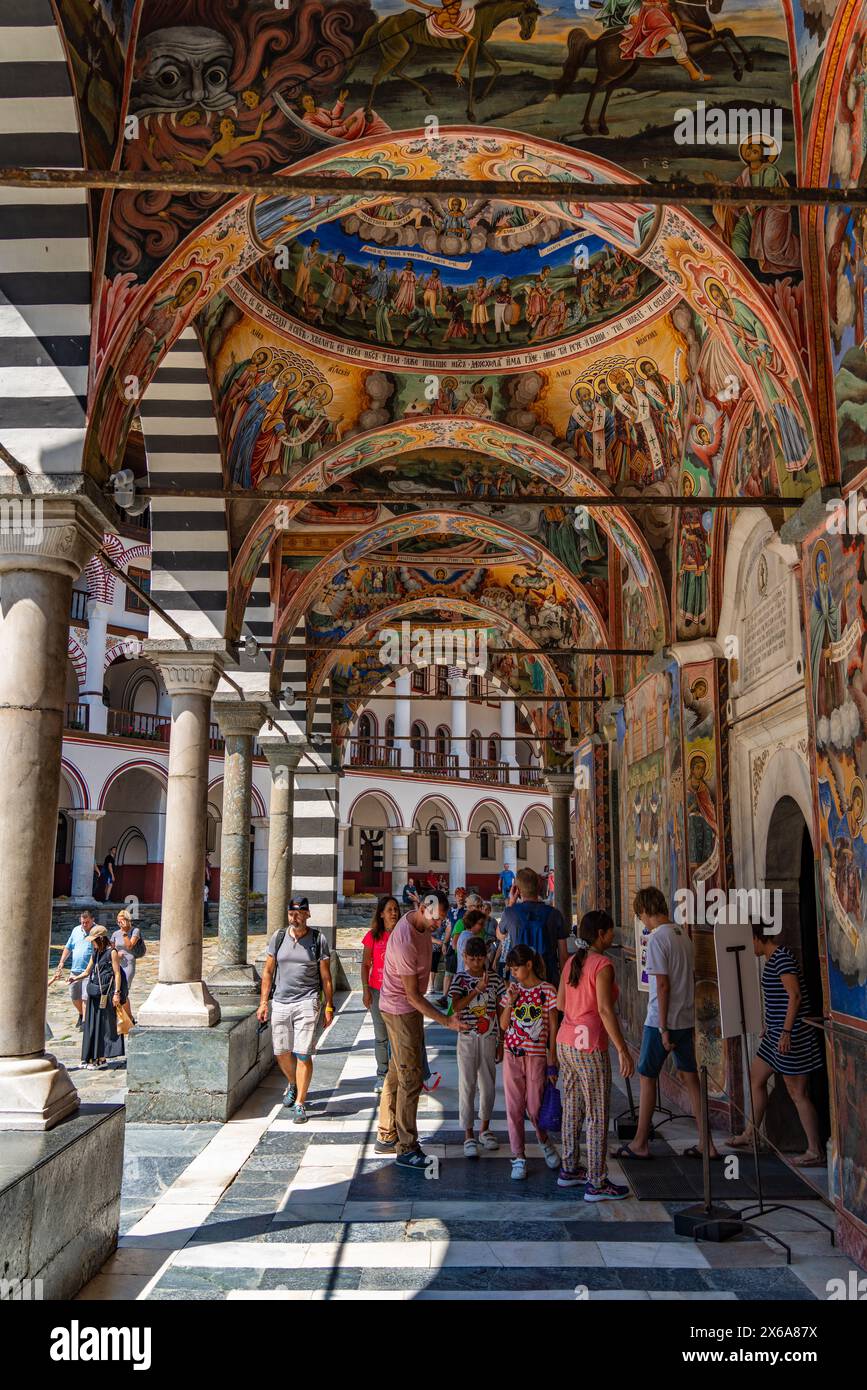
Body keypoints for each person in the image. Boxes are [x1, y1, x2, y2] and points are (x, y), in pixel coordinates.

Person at [613, 886, 719, 1161]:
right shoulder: (682, 935)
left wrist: (662, 1027)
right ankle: (707, 1143)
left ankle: (640, 1143)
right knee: (691, 1079)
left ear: (647, 911)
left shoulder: (657, 939)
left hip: (662, 1021)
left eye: (641, 917)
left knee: (647, 1077)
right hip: (684, 1018)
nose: (642, 923)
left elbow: (661, 984)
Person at [376, 890, 467, 1169]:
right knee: (411, 1076)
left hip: (405, 1008)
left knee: (397, 1069)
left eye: (441, 920)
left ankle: (387, 1132)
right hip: (400, 1009)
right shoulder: (405, 941)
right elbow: (413, 995)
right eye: (437, 919)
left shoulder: (421, 923)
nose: (439, 925)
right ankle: (406, 1147)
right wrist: (445, 1020)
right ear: (425, 909)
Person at [728, 923, 825, 1166]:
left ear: (757, 937)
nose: (749, 947)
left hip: (792, 1036)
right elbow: (779, 999)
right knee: (756, 1077)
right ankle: (751, 1133)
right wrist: (771, 1026)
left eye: (749, 941)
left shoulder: (781, 958)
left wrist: (786, 1031)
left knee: (797, 1092)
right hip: (775, 1035)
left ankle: (815, 1150)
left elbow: (794, 996)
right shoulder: (772, 959)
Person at [556, 911, 633, 1200]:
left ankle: (569, 1168)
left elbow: (561, 1003)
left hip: (566, 1041)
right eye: (611, 931)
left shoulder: (571, 962)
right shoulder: (603, 964)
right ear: (601, 934)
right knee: (598, 1112)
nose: (613, 936)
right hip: (590, 1046)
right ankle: (597, 1182)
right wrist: (622, 1049)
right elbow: (604, 1009)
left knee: (573, 1107)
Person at [257, 895, 334, 1125]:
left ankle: (300, 1102)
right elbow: (268, 972)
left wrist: (329, 1005)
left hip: (307, 1001)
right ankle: (293, 1082)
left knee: (303, 1053)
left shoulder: (318, 939)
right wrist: (263, 1002)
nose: (295, 918)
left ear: (308, 914)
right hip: (280, 1001)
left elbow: (326, 977)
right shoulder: (278, 938)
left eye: (299, 913)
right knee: (281, 1052)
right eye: (292, 914)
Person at [499, 943, 561, 1180]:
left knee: (535, 1106)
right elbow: (504, 1026)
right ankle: (519, 1156)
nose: (513, 973)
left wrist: (552, 1057)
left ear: (529, 964)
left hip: (536, 1056)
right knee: (514, 1108)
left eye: (516, 968)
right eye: (511, 969)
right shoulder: (512, 991)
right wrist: (512, 1001)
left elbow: (554, 1025)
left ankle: (544, 1140)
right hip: (512, 1053)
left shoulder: (548, 990)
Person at [449, 937, 505, 1156]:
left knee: (488, 1085)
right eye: (471, 959)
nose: (476, 963)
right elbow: (456, 1006)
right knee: (467, 1085)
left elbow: (501, 1009)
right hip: (467, 1038)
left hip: (489, 1037)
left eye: (480, 959)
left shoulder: (495, 980)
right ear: (464, 957)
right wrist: (476, 990)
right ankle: (468, 1133)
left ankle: (485, 1129)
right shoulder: (460, 979)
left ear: (486, 958)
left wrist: (501, 1040)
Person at [497, 868, 569, 989]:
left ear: (517, 890)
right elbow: (563, 955)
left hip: (519, 980)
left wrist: (511, 903)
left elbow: (500, 935)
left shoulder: (510, 913)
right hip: (549, 978)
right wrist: (564, 985)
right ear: (540, 886)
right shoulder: (554, 914)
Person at [72, 924, 125, 1069]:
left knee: (104, 1025)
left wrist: (116, 993)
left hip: (106, 993)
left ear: (101, 939)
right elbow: (88, 971)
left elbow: (117, 973)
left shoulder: (111, 952)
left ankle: (101, 1058)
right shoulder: (95, 952)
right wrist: (74, 979)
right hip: (94, 992)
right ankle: (90, 1057)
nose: (92, 942)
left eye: (94, 940)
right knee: (92, 1024)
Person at [362, 895, 400, 1095]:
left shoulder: (404, 934)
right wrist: (365, 990)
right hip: (377, 991)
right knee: (381, 1036)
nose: (394, 913)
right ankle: (382, 1074)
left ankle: (397, 1074)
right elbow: (366, 964)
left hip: (398, 993)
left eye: (396, 909)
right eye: (390, 910)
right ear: (381, 914)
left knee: (398, 1035)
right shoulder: (372, 936)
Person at [52, 909, 97, 1030]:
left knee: (85, 997)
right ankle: (81, 1013)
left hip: (89, 970)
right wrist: (61, 962)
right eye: (82, 922)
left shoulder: (97, 931)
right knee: (74, 995)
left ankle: (84, 1022)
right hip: (75, 969)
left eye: (87, 922)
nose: (84, 924)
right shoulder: (76, 930)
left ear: (93, 920)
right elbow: (68, 947)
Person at [110, 909, 141, 1030]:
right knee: (117, 990)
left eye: (121, 921)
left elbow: (129, 945)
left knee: (124, 991)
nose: (119, 924)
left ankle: (129, 1018)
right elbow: (111, 948)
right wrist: (116, 954)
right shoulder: (115, 933)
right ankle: (126, 1018)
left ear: (127, 920)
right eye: (118, 922)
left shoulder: (135, 931)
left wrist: (124, 933)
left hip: (128, 964)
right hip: (118, 964)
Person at [455, 907, 487, 974]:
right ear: (472, 923)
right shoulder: (467, 937)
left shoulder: (466, 935)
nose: (483, 926)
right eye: (480, 924)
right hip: (467, 974)